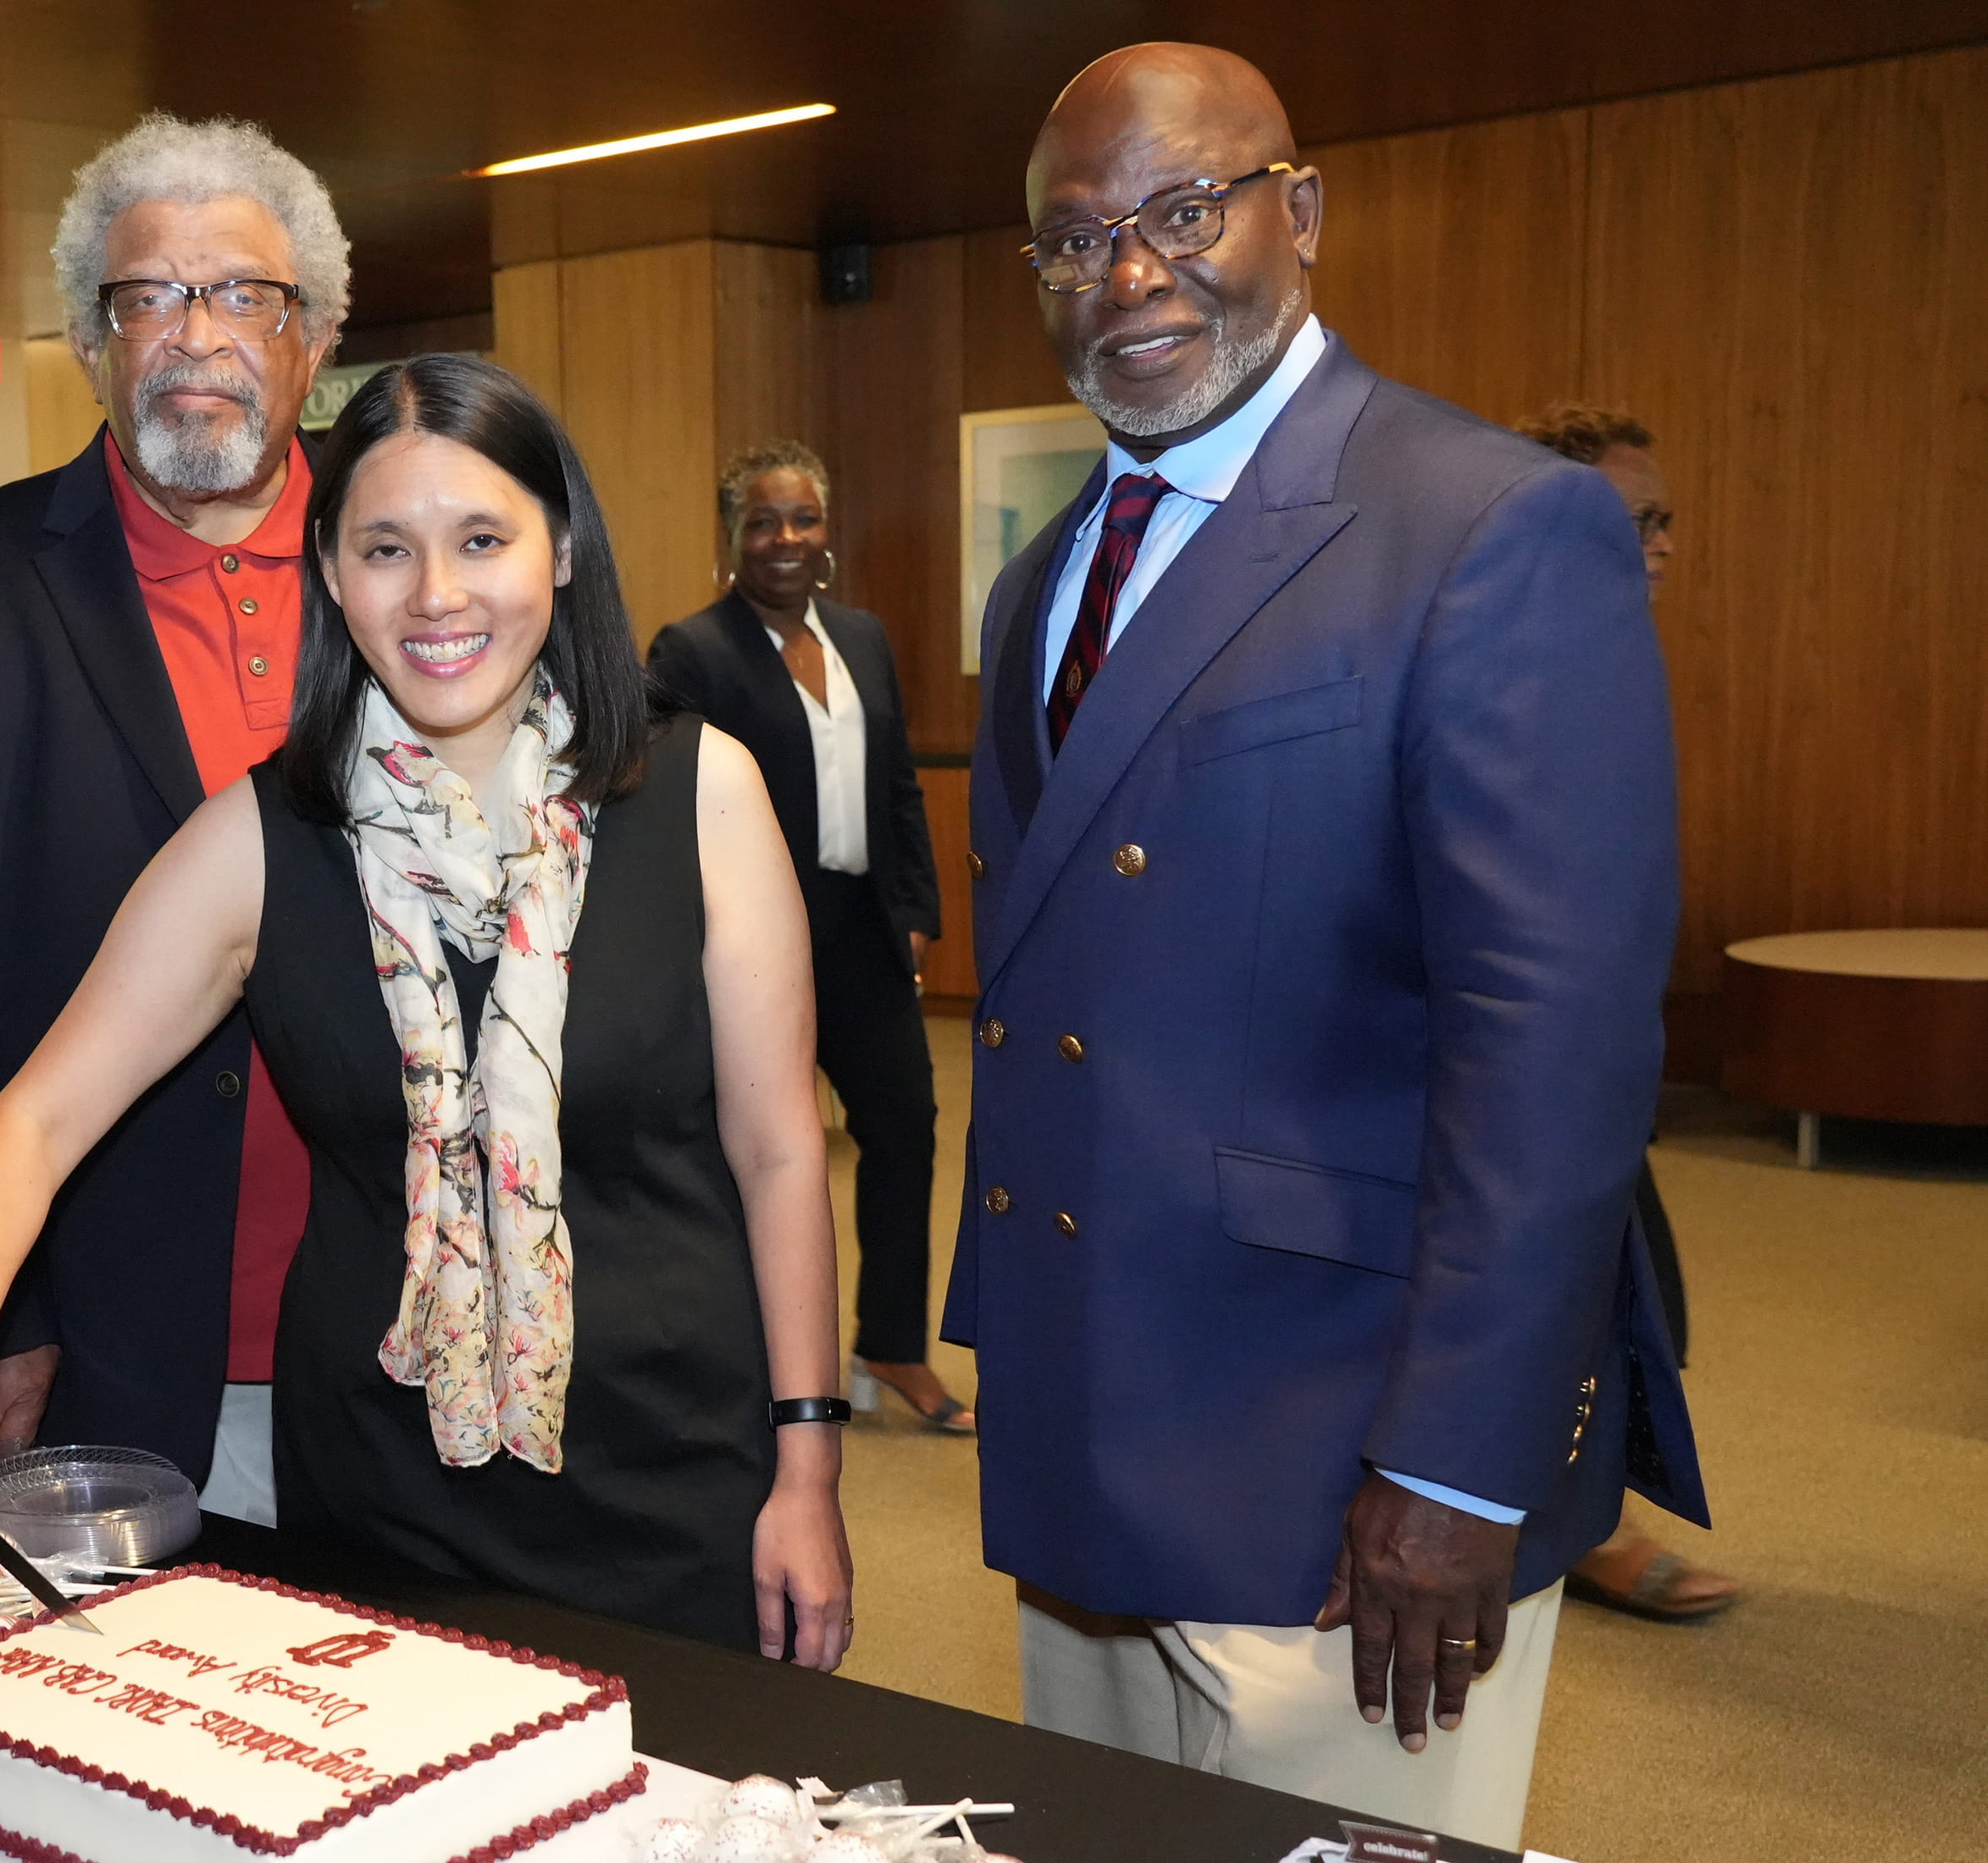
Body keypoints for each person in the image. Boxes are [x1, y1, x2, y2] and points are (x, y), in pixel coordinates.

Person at [942, 44, 1704, 1847]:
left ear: (1306, 214)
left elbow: (1555, 1055)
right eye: (1073, 240)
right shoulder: (1043, 573)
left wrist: (1452, 1465)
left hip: (1344, 1461)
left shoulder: (1494, 530)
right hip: (1091, 1429)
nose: (1129, 278)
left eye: (1181, 212)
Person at [0, 353, 856, 1663]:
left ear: (560, 551)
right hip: (381, 1490)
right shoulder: (260, 839)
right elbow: (41, 1115)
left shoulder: (698, 791)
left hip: (680, 1466)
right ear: (330, 573)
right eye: (386, 547)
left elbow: (780, 1149)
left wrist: (810, 1468)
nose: (437, 595)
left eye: (483, 539)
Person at [0, 113, 345, 1519]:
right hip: (114, 1318)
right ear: (92, 337)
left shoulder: (424, 573)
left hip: (409, 1318)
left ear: (313, 334)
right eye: (149, 297)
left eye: (243, 292)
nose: (196, 335)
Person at [648, 444, 962, 1432]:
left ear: (828, 531)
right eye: (763, 522)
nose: (786, 540)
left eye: (803, 520)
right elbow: (668, 806)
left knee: (906, 1128)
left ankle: (893, 1344)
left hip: (866, 935)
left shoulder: (863, 637)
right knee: (748, 1150)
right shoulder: (690, 650)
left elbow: (899, 785)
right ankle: (747, 1360)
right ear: (732, 538)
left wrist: (916, 911)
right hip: (753, 942)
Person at [1515, 401, 1740, 1625]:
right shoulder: (1514, 647)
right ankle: (1583, 1524)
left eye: (1667, 520)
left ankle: (1581, 1504)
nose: (1663, 545)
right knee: (1580, 1285)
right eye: (1637, 519)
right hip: (1523, 1047)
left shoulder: (1610, 645)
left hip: (1602, 1045)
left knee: (1636, 1287)